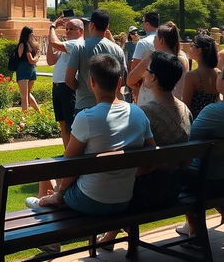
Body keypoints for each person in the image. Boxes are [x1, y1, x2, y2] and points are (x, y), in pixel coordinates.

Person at [30, 54, 154, 216]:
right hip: (124, 199)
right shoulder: (138, 113)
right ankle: (44, 202)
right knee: (51, 187)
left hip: (90, 199)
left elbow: (69, 165)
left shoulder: (86, 118)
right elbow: (151, 154)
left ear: (92, 83)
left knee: (46, 181)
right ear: (119, 82)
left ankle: (43, 211)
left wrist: (60, 193)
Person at [98, 52, 192, 249]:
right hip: (175, 187)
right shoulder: (185, 109)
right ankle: (112, 236)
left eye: (147, 71)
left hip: (147, 193)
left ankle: (111, 236)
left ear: (153, 78)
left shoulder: (144, 113)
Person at [178, 59, 224, 247]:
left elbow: (188, 144)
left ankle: (196, 229)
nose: (217, 74)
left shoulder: (213, 112)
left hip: (208, 181)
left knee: (179, 169)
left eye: (220, 73)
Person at [64, 9, 127, 114]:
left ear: (91, 25)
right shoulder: (117, 49)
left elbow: (69, 79)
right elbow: (122, 79)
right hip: (111, 105)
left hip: (85, 104)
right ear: (107, 28)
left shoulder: (80, 47)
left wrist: (81, 88)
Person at [128, 22, 188, 105]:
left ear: (161, 40)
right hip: (174, 107)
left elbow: (130, 80)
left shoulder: (152, 58)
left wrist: (137, 86)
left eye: (155, 38)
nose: (153, 40)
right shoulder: (183, 58)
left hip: (152, 108)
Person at [47, 16, 83, 145]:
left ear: (81, 31)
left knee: (70, 123)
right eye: (66, 29)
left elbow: (55, 44)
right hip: (57, 87)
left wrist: (52, 27)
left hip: (67, 87)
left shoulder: (77, 43)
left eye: (71, 29)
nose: (67, 31)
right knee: (62, 123)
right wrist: (49, 36)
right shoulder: (67, 45)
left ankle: (73, 155)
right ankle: (67, 153)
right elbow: (50, 60)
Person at [182, 34, 219, 119]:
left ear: (199, 50)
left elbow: (186, 107)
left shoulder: (191, 76)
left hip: (196, 122)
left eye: (192, 45)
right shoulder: (218, 73)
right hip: (212, 120)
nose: (190, 48)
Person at [128, 11, 159, 99]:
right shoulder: (165, 39)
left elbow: (134, 69)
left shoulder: (143, 42)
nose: (142, 24)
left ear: (147, 24)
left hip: (147, 89)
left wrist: (134, 87)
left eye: (142, 21)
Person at [15, 27, 41, 113]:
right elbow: (32, 61)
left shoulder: (24, 44)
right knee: (27, 94)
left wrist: (36, 56)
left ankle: (24, 116)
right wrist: (37, 55)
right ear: (29, 34)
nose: (33, 34)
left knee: (24, 96)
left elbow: (31, 60)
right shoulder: (32, 45)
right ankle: (39, 112)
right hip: (31, 70)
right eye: (32, 32)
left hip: (23, 70)